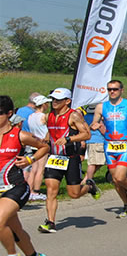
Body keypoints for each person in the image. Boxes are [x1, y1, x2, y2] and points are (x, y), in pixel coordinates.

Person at [0, 95, 50, 256]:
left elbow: (44, 146)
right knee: (15, 231)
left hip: (16, 187)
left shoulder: (19, 135)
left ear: (9, 114)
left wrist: (30, 159)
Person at [40, 88, 99, 233]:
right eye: (53, 99)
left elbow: (86, 134)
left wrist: (68, 139)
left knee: (74, 194)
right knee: (51, 190)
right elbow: (53, 130)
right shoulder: (49, 116)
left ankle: (89, 187)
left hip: (71, 158)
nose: (54, 102)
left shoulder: (73, 116)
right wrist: (47, 139)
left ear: (67, 101)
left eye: (58, 100)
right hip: (54, 158)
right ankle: (51, 222)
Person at [91, 80, 127, 218]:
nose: (112, 92)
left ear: (121, 90)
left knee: (120, 177)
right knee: (115, 180)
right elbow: (94, 122)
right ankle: (126, 205)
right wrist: (95, 125)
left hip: (126, 144)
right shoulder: (101, 107)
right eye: (109, 89)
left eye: (115, 89)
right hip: (109, 145)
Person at [26, 95, 50, 201]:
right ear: (43, 105)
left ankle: (29, 191)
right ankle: (36, 191)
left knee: (33, 169)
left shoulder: (31, 116)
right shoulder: (44, 116)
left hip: (34, 144)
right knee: (41, 169)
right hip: (43, 144)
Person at [83, 104, 107, 183]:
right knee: (93, 163)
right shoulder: (98, 118)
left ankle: (86, 179)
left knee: (97, 162)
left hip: (90, 140)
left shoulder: (85, 117)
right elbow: (103, 130)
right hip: (98, 140)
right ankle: (88, 181)